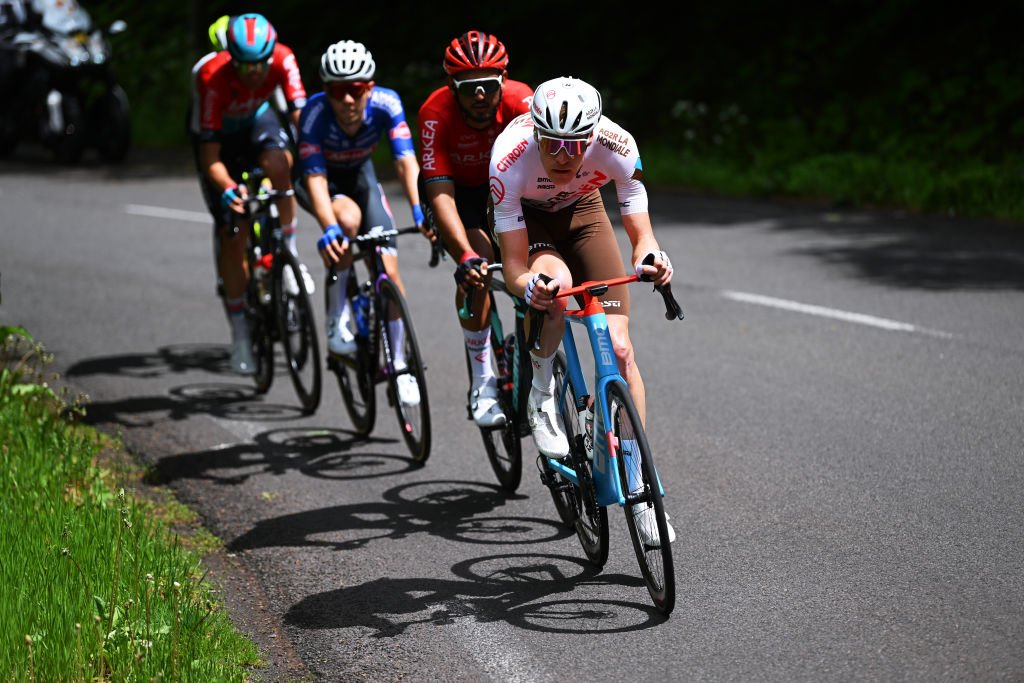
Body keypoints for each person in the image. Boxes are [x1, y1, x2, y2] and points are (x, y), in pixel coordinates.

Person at [488, 76, 676, 545]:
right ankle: (542, 390)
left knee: (620, 349)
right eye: (550, 143)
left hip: (584, 213)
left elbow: (634, 207)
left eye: (574, 145)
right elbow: (512, 266)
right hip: (533, 223)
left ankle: (638, 486)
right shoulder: (508, 159)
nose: (562, 155)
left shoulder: (618, 144)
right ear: (534, 132)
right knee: (558, 287)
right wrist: (529, 284)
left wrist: (649, 252)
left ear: (592, 136)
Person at [297, 39, 428, 407]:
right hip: (321, 182)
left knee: (389, 268)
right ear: (327, 91)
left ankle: (399, 365)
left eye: (356, 89)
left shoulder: (387, 104)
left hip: (360, 176)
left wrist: (419, 209)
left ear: (369, 87)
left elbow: (405, 161)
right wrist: (329, 227)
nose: (348, 100)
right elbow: (315, 179)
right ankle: (335, 320)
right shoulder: (314, 114)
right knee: (349, 223)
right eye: (339, 91)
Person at [417, 30, 533, 428]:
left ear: (503, 81)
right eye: (469, 89)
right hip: (458, 194)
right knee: (479, 262)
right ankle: (482, 381)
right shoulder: (435, 113)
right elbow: (441, 195)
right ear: (452, 88)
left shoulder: (523, 102)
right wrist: (464, 256)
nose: (480, 96)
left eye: (488, 86)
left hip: (510, 189)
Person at [188, 13, 311, 375]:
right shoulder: (212, 76)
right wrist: (227, 189)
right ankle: (241, 332)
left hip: (257, 119)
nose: (255, 72)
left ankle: (289, 252)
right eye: (246, 65)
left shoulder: (284, 58)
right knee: (235, 228)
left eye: (261, 64)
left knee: (281, 166)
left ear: (271, 54)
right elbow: (210, 158)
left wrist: (310, 161)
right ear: (232, 58)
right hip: (218, 137)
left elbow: (300, 118)